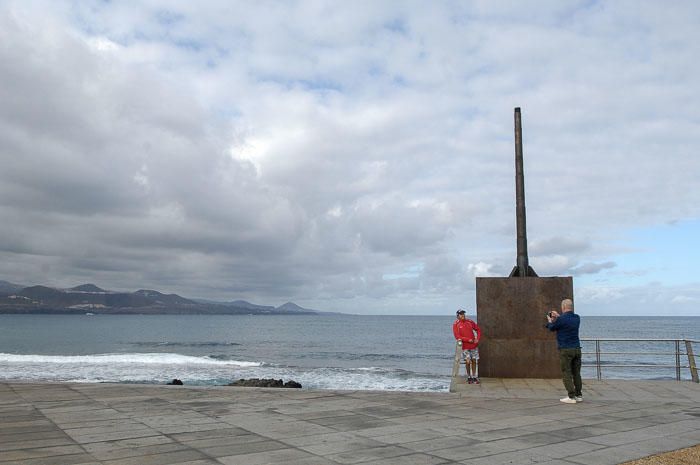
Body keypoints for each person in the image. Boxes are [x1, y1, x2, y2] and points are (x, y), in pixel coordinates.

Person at [546, 298, 582, 404]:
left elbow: (552, 328)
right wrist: (558, 317)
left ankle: (571, 396)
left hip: (566, 350)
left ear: (563, 307)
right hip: (577, 349)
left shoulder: (561, 319)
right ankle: (578, 395)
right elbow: (565, 322)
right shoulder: (577, 318)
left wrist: (550, 320)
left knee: (566, 372)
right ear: (571, 307)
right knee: (576, 373)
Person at [452, 309, 482, 384]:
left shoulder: (470, 322)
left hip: (474, 345)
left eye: (463, 314)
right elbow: (457, 336)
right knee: (468, 361)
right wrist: (468, 340)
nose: (463, 315)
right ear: (458, 316)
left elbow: (478, 330)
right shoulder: (456, 324)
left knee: (474, 360)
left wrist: (477, 339)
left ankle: (474, 377)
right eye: (461, 314)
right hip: (465, 346)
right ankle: (469, 377)